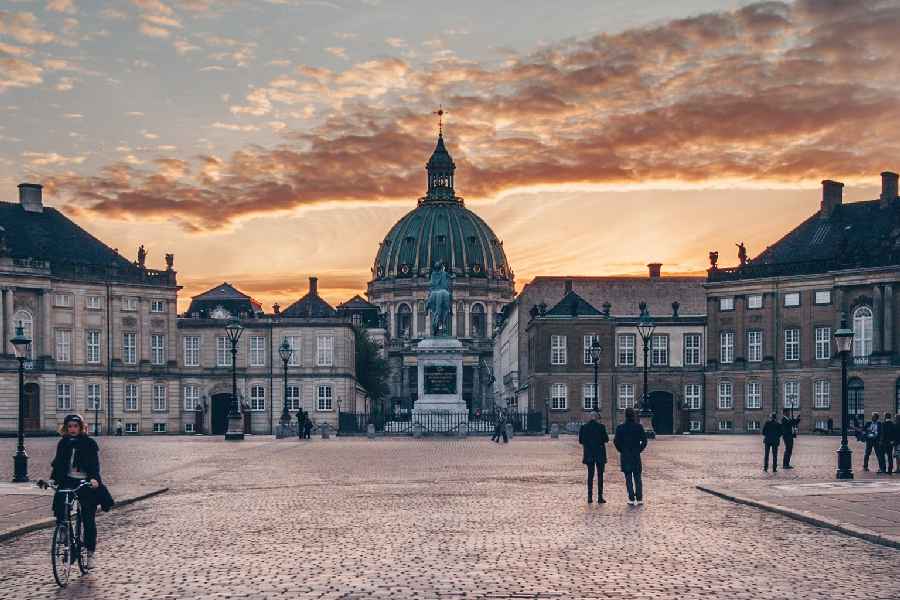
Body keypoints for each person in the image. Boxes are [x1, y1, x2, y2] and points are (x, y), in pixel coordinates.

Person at [48, 414, 113, 571]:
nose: (72, 429)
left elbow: (94, 465)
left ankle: (90, 553)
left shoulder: (89, 443)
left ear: (81, 427)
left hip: (85, 481)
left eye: (75, 426)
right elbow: (58, 464)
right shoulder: (63, 443)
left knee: (88, 519)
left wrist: (94, 479)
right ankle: (64, 531)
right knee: (60, 504)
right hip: (68, 480)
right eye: (69, 426)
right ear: (65, 428)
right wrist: (53, 479)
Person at [614, 407, 648, 506]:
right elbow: (645, 441)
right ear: (634, 415)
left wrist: (622, 450)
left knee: (628, 478)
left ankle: (631, 498)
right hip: (636, 456)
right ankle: (640, 498)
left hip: (625, 456)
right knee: (637, 477)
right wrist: (639, 450)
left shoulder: (620, 428)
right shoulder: (639, 427)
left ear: (625, 415)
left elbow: (616, 442)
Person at [578, 411, 609, 503]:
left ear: (590, 417)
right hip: (600, 454)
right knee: (600, 476)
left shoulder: (584, 427)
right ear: (596, 418)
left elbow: (581, 441)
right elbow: (606, 439)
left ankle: (589, 497)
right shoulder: (601, 427)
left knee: (590, 476)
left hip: (589, 454)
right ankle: (600, 497)